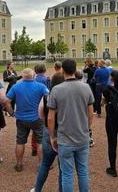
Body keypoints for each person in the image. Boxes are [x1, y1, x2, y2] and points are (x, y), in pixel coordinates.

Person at [47, 59, 94, 192]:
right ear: (75, 70)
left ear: (62, 70)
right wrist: (87, 129)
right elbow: (90, 114)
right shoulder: (86, 87)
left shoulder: (56, 90)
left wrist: (51, 136)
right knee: (83, 172)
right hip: (82, 137)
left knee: (67, 175)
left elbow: (51, 117)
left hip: (65, 138)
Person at [6, 68, 49, 172]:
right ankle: (41, 164)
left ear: (22, 76)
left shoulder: (16, 87)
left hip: (21, 118)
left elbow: (6, 101)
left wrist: (11, 112)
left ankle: (19, 163)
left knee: (20, 141)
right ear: (34, 76)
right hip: (37, 118)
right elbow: (49, 98)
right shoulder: (41, 86)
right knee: (40, 142)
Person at [31, 73, 65, 192]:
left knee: (45, 164)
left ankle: (38, 189)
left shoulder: (47, 96)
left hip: (48, 131)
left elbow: (40, 114)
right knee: (63, 168)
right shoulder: (67, 96)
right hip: (63, 132)